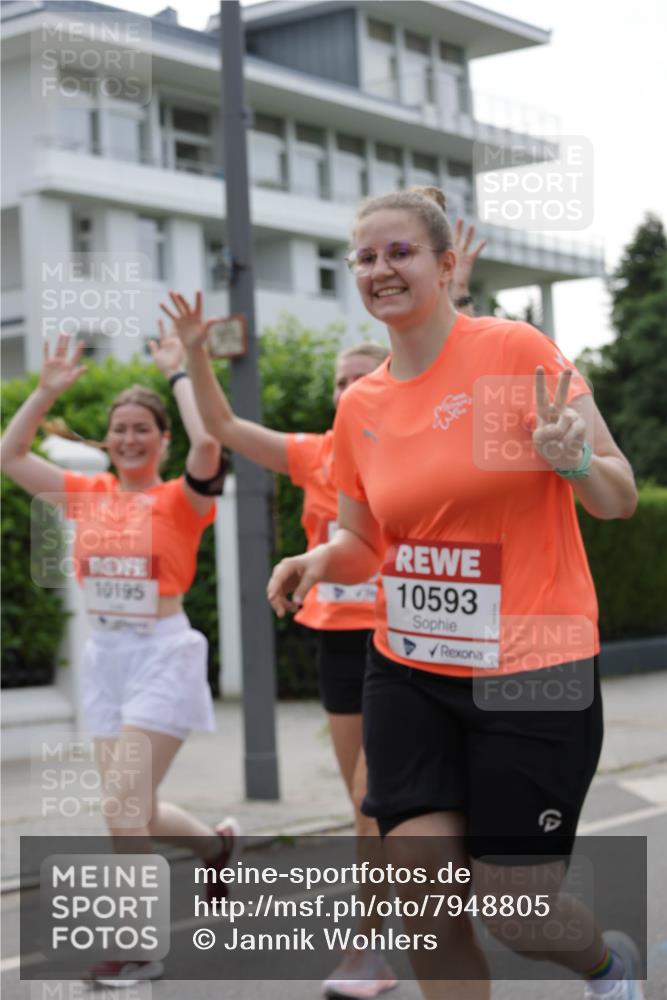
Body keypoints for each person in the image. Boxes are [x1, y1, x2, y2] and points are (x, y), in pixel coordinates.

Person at [267, 187, 643, 1000]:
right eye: (364, 257)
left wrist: (571, 459)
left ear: (444, 265)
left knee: (515, 911)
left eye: (398, 252)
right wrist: (315, 562)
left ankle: (605, 968)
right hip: (409, 669)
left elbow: (618, 497)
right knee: (425, 896)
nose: (379, 270)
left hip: (533, 671)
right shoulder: (360, 408)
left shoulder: (512, 354)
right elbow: (366, 543)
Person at [161, 218, 485, 1000]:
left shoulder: (405, 435)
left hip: (407, 641)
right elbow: (229, 428)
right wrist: (192, 360)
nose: (345, 392)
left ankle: (370, 945)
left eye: (356, 380)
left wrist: (455, 290)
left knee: (378, 805)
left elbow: (450, 372)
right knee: (362, 805)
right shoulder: (316, 451)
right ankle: (412, 923)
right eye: (337, 384)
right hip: (338, 644)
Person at [0, 324, 239, 988]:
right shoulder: (88, 495)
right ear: (107, 440)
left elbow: (211, 443)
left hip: (163, 654)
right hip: (105, 658)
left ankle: (136, 944)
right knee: (135, 803)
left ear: (162, 440)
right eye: (120, 428)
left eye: (143, 428)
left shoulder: (181, 501)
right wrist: (44, 391)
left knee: (119, 807)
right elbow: (10, 453)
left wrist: (178, 372)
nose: (130, 438)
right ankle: (215, 847)